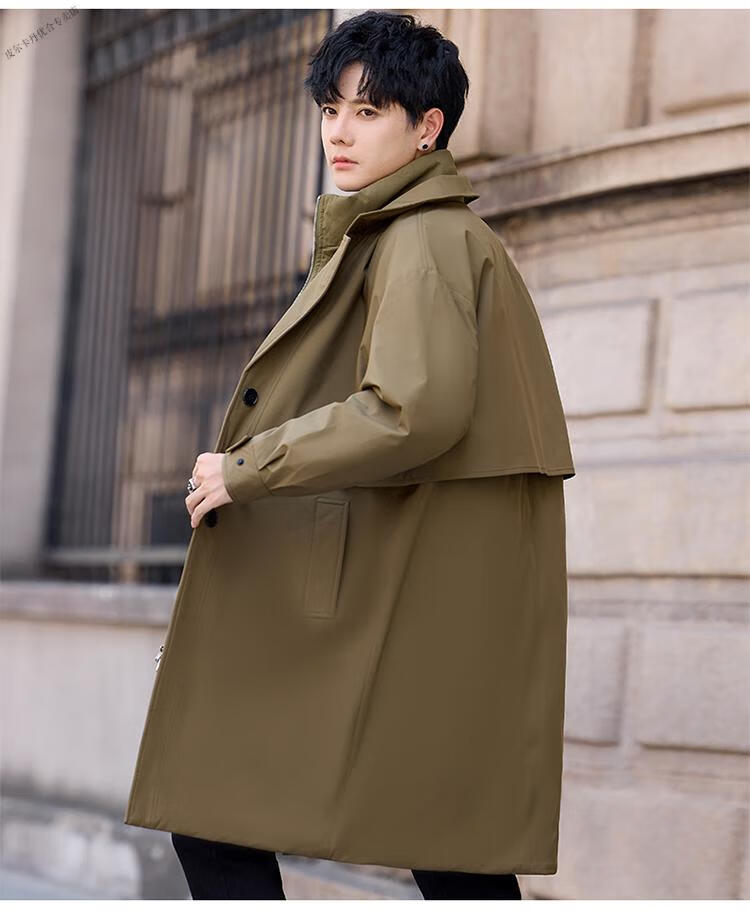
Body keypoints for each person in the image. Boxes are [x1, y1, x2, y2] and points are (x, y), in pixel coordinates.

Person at [123, 10, 574, 901]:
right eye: (332, 108)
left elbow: (412, 409)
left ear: (428, 126)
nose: (338, 131)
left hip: (393, 587)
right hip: (408, 585)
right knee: (447, 844)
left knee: (221, 813)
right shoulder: (400, 233)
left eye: (368, 112)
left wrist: (245, 468)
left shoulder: (422, 239)